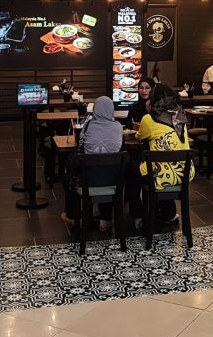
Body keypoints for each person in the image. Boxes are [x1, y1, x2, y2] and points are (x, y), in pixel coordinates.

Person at [61, 96, 124, 231]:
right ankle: (105, 219)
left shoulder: (88, 125)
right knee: (108, 169)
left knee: (70, 173)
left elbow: (81, 144)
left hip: (89, 180)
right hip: (113, 180)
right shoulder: (118, 127)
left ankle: (76, 216)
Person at [134, 84, 192, 224]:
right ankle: (168, 214)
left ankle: (139, 215)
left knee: (131, 170)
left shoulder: (149, 119)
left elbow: (139, 137)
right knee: (162, 164)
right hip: (184, 173)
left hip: (161, 175)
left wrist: (148, 113)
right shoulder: (180, 117)